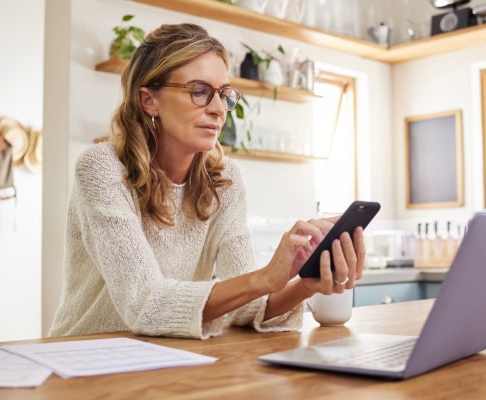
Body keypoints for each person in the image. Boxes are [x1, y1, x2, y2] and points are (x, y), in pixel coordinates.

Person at [48, 23, 366, 340]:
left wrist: (305, 283)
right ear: (149, 101)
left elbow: (245, 307)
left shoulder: (224, 180)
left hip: (164, 360)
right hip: (83, 357)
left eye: (224, 94)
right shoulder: (102, 168)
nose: (218, 109)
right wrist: (268, 276)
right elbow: (146, 304)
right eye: (199, 92)